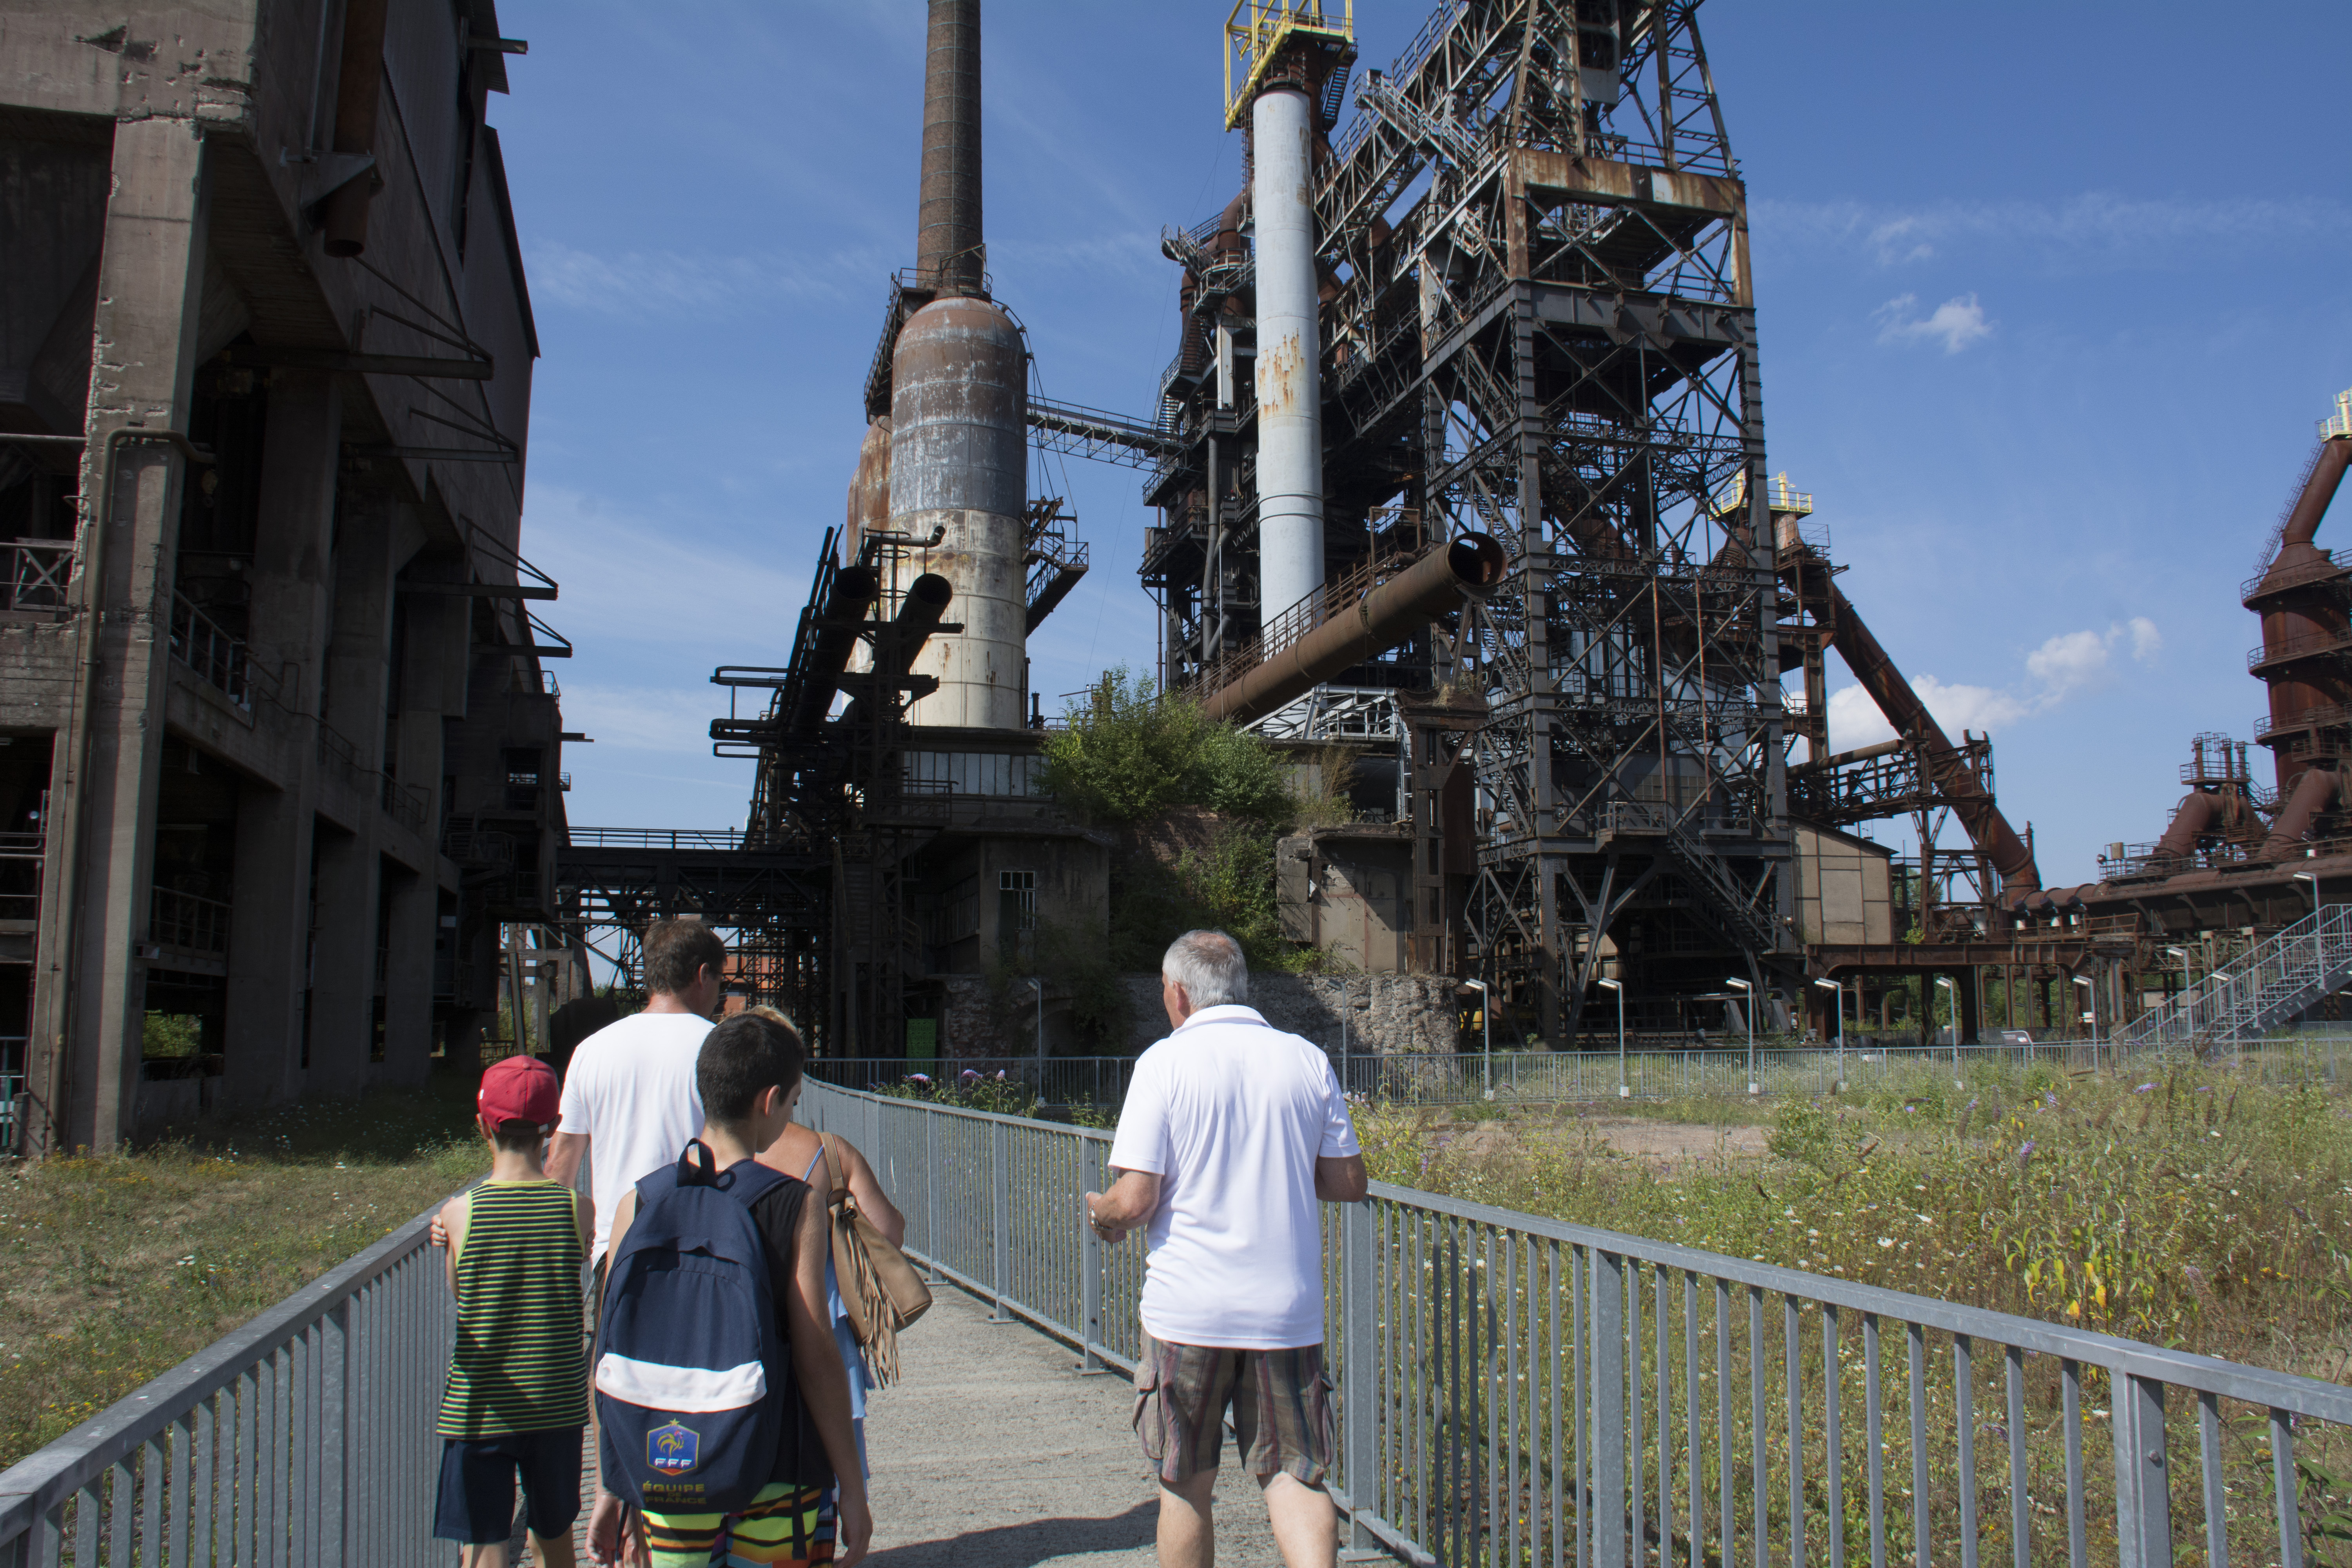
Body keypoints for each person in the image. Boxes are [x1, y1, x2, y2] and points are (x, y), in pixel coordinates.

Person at [1084, 930, 1368, 1568]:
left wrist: (1103, 1216)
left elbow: (1136, 1200)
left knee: (1186, 1481)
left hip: (1191, 1313)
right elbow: (1349, 1183)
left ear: (1179, 995)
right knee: (1296, 1475)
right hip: (1285, 1313)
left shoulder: (1163, 1063)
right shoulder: (1305, 1059)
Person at [587, 1012, 872, 1568]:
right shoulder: (793, 1203)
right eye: (792, 1102)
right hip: (778, 1468)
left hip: (666, 1468)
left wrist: (610, 1485)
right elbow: (816, 1355)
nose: (791, 1113)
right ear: (770, 1101)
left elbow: (607, 1349)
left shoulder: (640, 1201)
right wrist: (851, 1484)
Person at [433, 1055, 591, 1568]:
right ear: (553, 1127)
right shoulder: (577, 1209)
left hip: (483, 1407)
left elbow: (464, 1295)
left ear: (483, 1125)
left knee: (486, 1545)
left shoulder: (462, 1213)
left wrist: (449, 1240)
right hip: (557, 1405)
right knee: (555, 1537)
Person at [751, 1005, 907, 1480]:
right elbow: (890, 1233)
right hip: (824, 1328)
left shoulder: (704, 1152)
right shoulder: (831, 1153)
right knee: (833, 1476)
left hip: (743, 1331)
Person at [546, 918, 726, 1289]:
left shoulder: (591, 1050)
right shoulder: (722, 1049)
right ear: (703, 974)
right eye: (720, 983)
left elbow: (561, 1163)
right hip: (704, 1252)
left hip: (616, 1253)